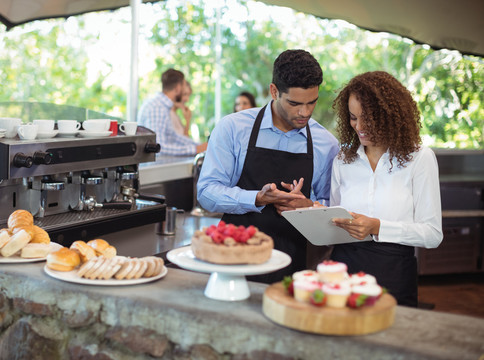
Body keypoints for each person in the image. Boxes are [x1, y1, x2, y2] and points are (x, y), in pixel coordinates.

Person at [197, 49, 340, 282]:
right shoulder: (233, 129)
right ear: (274, 91)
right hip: (233, 258)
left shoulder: (326, 143)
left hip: (292, 264)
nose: (304, 112)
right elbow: (206, 193)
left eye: (311, 102)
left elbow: (331, 209)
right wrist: (257, 198)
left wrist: (309, 207)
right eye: (294, 103)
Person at [328, 71, 443, 307]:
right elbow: (334, 221)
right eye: (352, 117)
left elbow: (432, 234)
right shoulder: (342, 160)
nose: (358, 127)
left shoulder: (419, 158)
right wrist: (315, 212)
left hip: (394, 269)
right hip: (344, 268)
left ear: (389, 115)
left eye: (368, 118)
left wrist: (378, 227)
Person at [138, 69, 207, 156]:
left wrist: (200, 146)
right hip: (156, 167)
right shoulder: (157, 108)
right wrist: (195, 149)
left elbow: (174, 137)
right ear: (178, 88)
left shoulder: (163, 107)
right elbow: (158, 148)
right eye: (184, 86)